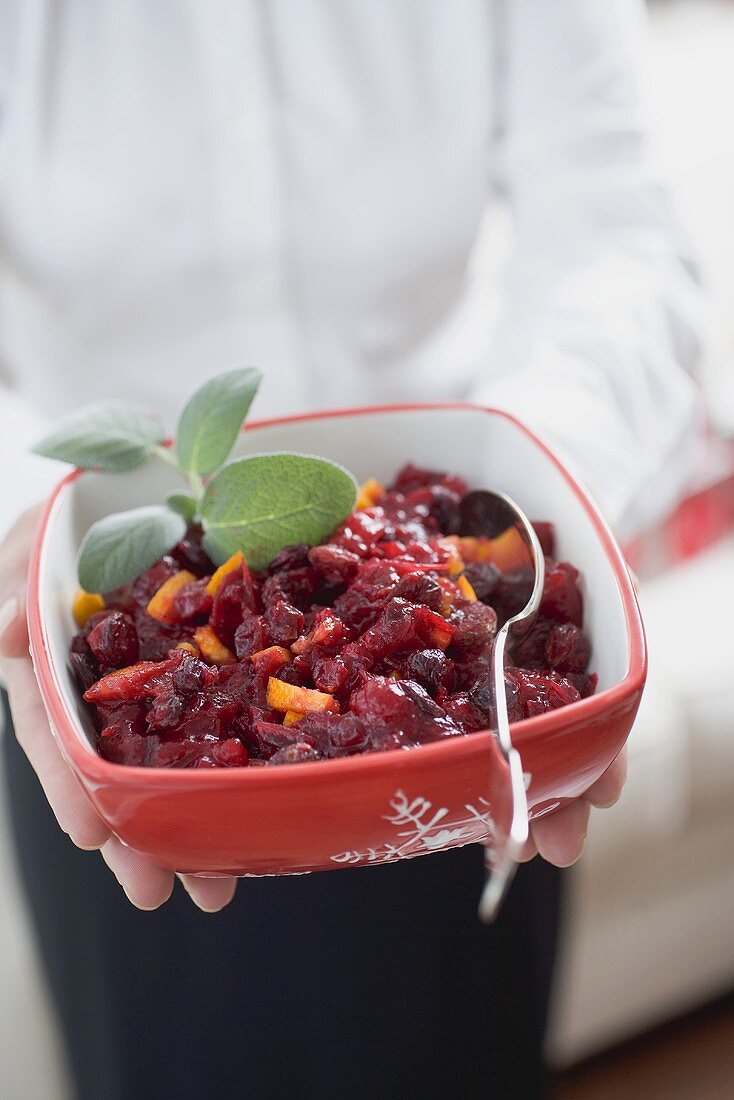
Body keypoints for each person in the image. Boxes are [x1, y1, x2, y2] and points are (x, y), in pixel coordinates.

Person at [0, 2, 700, 1098]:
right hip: (100, 641)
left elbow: (620, 232)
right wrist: (23, 531)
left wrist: (529, 481)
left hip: (472, 700)